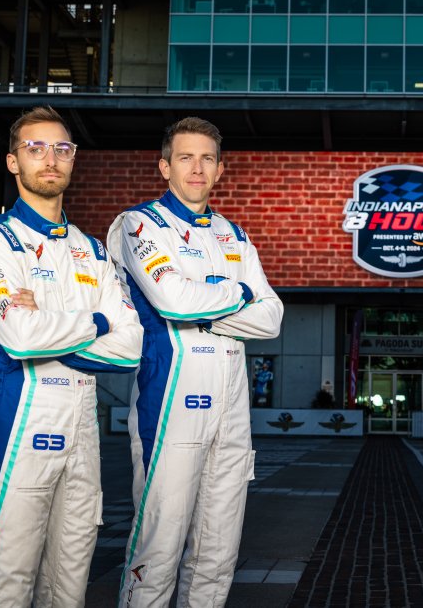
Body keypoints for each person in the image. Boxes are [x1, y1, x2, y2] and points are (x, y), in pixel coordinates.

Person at [0, 106, 143, 606]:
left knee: (69, 584)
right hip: (18, 418)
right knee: (9, 581)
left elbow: (132, 346)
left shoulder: (92, 250)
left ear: (73, 159)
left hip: (82, 427)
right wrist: (96, 320)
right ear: (13, 162)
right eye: (35, 148)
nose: (50, 158)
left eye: (62, 148)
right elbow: (20, 338)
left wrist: (53, 323)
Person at [108, 117, 284, 606]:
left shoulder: (234, 234)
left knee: (218, 553)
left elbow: (271, 317)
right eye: (185, 157)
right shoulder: (138, 224)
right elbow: (173, 302)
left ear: (221, 169)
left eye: (208, 158)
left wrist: (205, 307)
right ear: (165, 167)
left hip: (232, 410)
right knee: (158, 549)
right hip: (170, 403)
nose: (197, 168)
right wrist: (239, 294)